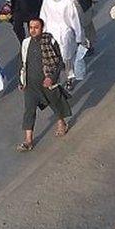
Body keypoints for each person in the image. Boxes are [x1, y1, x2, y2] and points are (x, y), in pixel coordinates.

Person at [16, 18, 72, 152]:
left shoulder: (50, 41)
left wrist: (51, 78)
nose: (33, 30)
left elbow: (59, 62)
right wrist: (21, 81)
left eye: (36, 27)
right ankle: (28, 140)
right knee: (29, 110)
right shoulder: (25, 43)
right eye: (31, 27)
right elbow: (22, 63)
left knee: (55, 103)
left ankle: (61, 122)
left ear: (42, 28)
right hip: (30, 84)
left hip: (47, 83)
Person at [39, 0, 84, 92]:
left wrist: (78, 36)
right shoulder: (46, 0)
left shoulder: (67, 1)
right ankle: (55, 79)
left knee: (65, 57)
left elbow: (74, 19)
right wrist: (41, 32)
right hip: (50, 33)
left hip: (65, 32)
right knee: (52, 58)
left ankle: (69, 76)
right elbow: (43, 16)